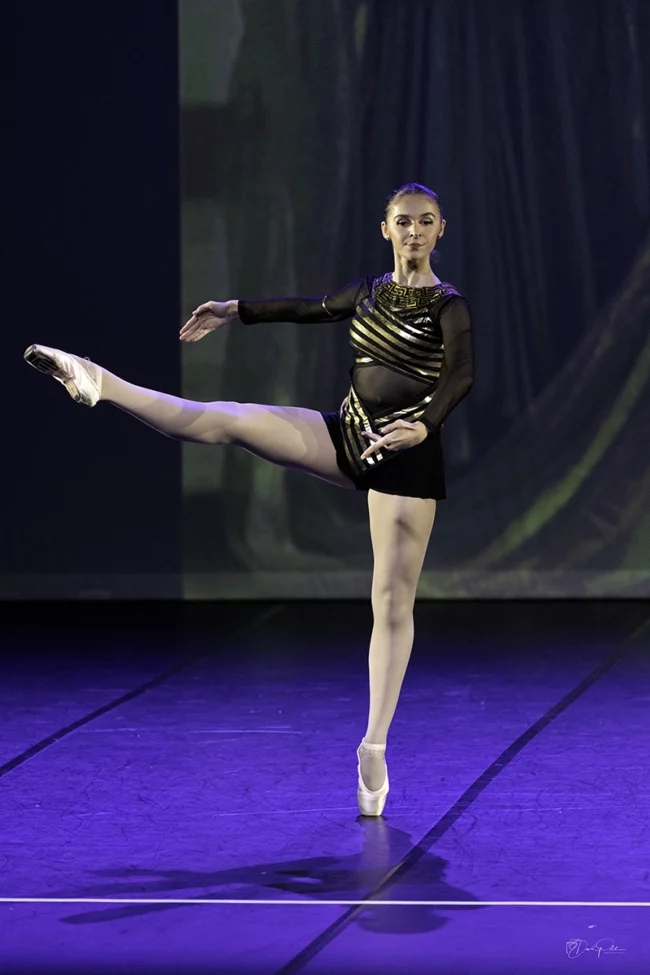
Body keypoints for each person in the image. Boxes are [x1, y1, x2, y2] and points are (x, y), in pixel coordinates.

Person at [23, 182, 474, 817]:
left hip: (407, 455)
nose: (415, 233)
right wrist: (235, 309)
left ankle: (373, 746)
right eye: (404, 222)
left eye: (426, 222)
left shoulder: (448, 305)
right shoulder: (367, 291)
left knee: (390, 604)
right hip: (346, 433)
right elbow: (310, 307)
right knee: (229, 419)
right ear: (386, 229)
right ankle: (103, 382)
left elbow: (462, 373)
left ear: (441, 230)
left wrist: (424, 424)